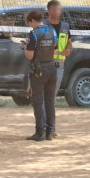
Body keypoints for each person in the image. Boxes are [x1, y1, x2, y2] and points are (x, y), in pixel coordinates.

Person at [24, 10, 58, 141]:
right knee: (50, 101)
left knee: (38, 101)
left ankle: (40, 133)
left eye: (29, 23)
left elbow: (29, 55)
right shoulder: (52, 30)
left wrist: (26, 46)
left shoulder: (33, 33)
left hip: (38, 70)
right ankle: (50, 132)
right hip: (52, 68)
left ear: (32, 21)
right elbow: (54, 47)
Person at [44, 0, 72, 138]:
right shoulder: (42, 25)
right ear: (48, 10)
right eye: (54, 9)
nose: (56, 12)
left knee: (51, 97)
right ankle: (44, 127)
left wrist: (68, 50)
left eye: (58, 9)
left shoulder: (66, 26)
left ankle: (50, 128)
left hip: (58, 65)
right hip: (44, 64)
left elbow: (69, 44)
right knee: (43, 97)